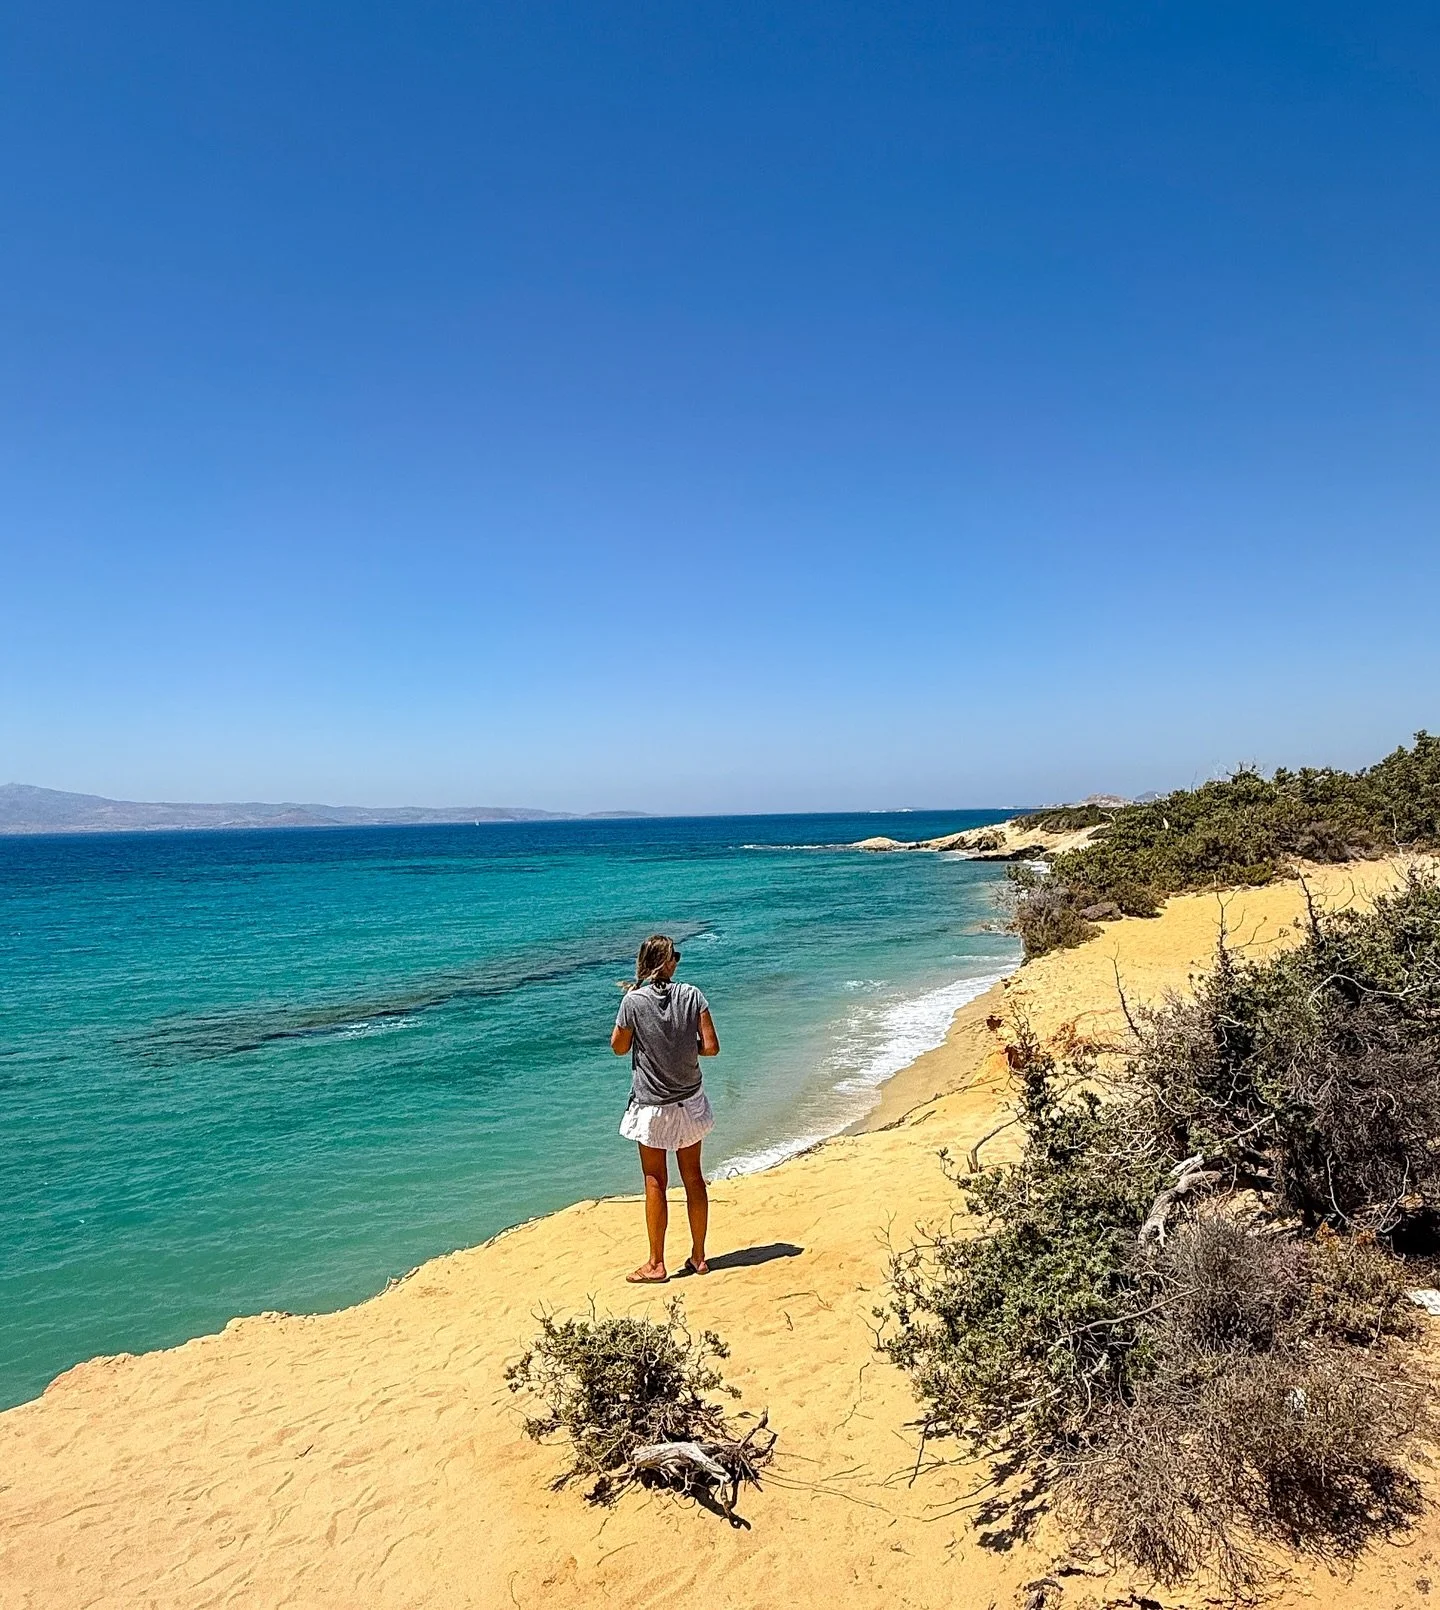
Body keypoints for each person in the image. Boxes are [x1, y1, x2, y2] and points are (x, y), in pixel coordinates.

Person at [610, 934, 720, 1283]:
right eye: (677, 956)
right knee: (693, 1177)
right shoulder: (693, 996)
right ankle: (699, 1257)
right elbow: (712, 1048)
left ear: (645, 963)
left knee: (655, 1181)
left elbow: (618, 1047)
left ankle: (657, 1264)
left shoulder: (633, 1002)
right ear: (669, 963)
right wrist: (686, 1051)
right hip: (689, 1101)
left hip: (653, 1105)